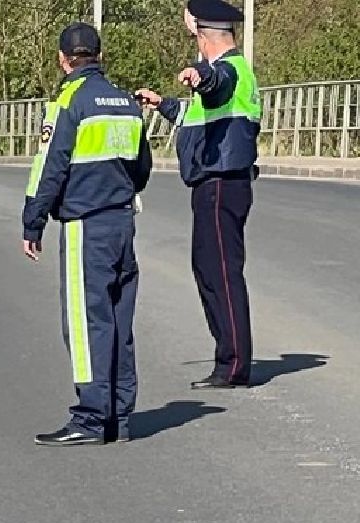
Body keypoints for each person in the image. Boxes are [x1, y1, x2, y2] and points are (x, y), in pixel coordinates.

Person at [22, 22, 151, 446]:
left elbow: (50, 166)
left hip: (85, 225)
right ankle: (120, 417)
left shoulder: (68, 102)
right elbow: (142, 167)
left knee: (85, 321)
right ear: (99, 55)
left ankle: (91, 419)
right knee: (118, 320)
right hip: (122, 222)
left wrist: (33, 220)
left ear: (63, 60)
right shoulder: (127, 103)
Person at [136, 0, 260, 389]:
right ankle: (228, 356)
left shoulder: (228, 71)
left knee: (221, 272)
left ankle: (234, 363)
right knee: (209, 270)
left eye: (196, 38)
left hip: (222, 183)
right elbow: (200, 117)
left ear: (206, 38)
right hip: (216, 185)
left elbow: (215, 82)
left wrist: (200, 76)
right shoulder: (230, 76)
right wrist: (165, 105)